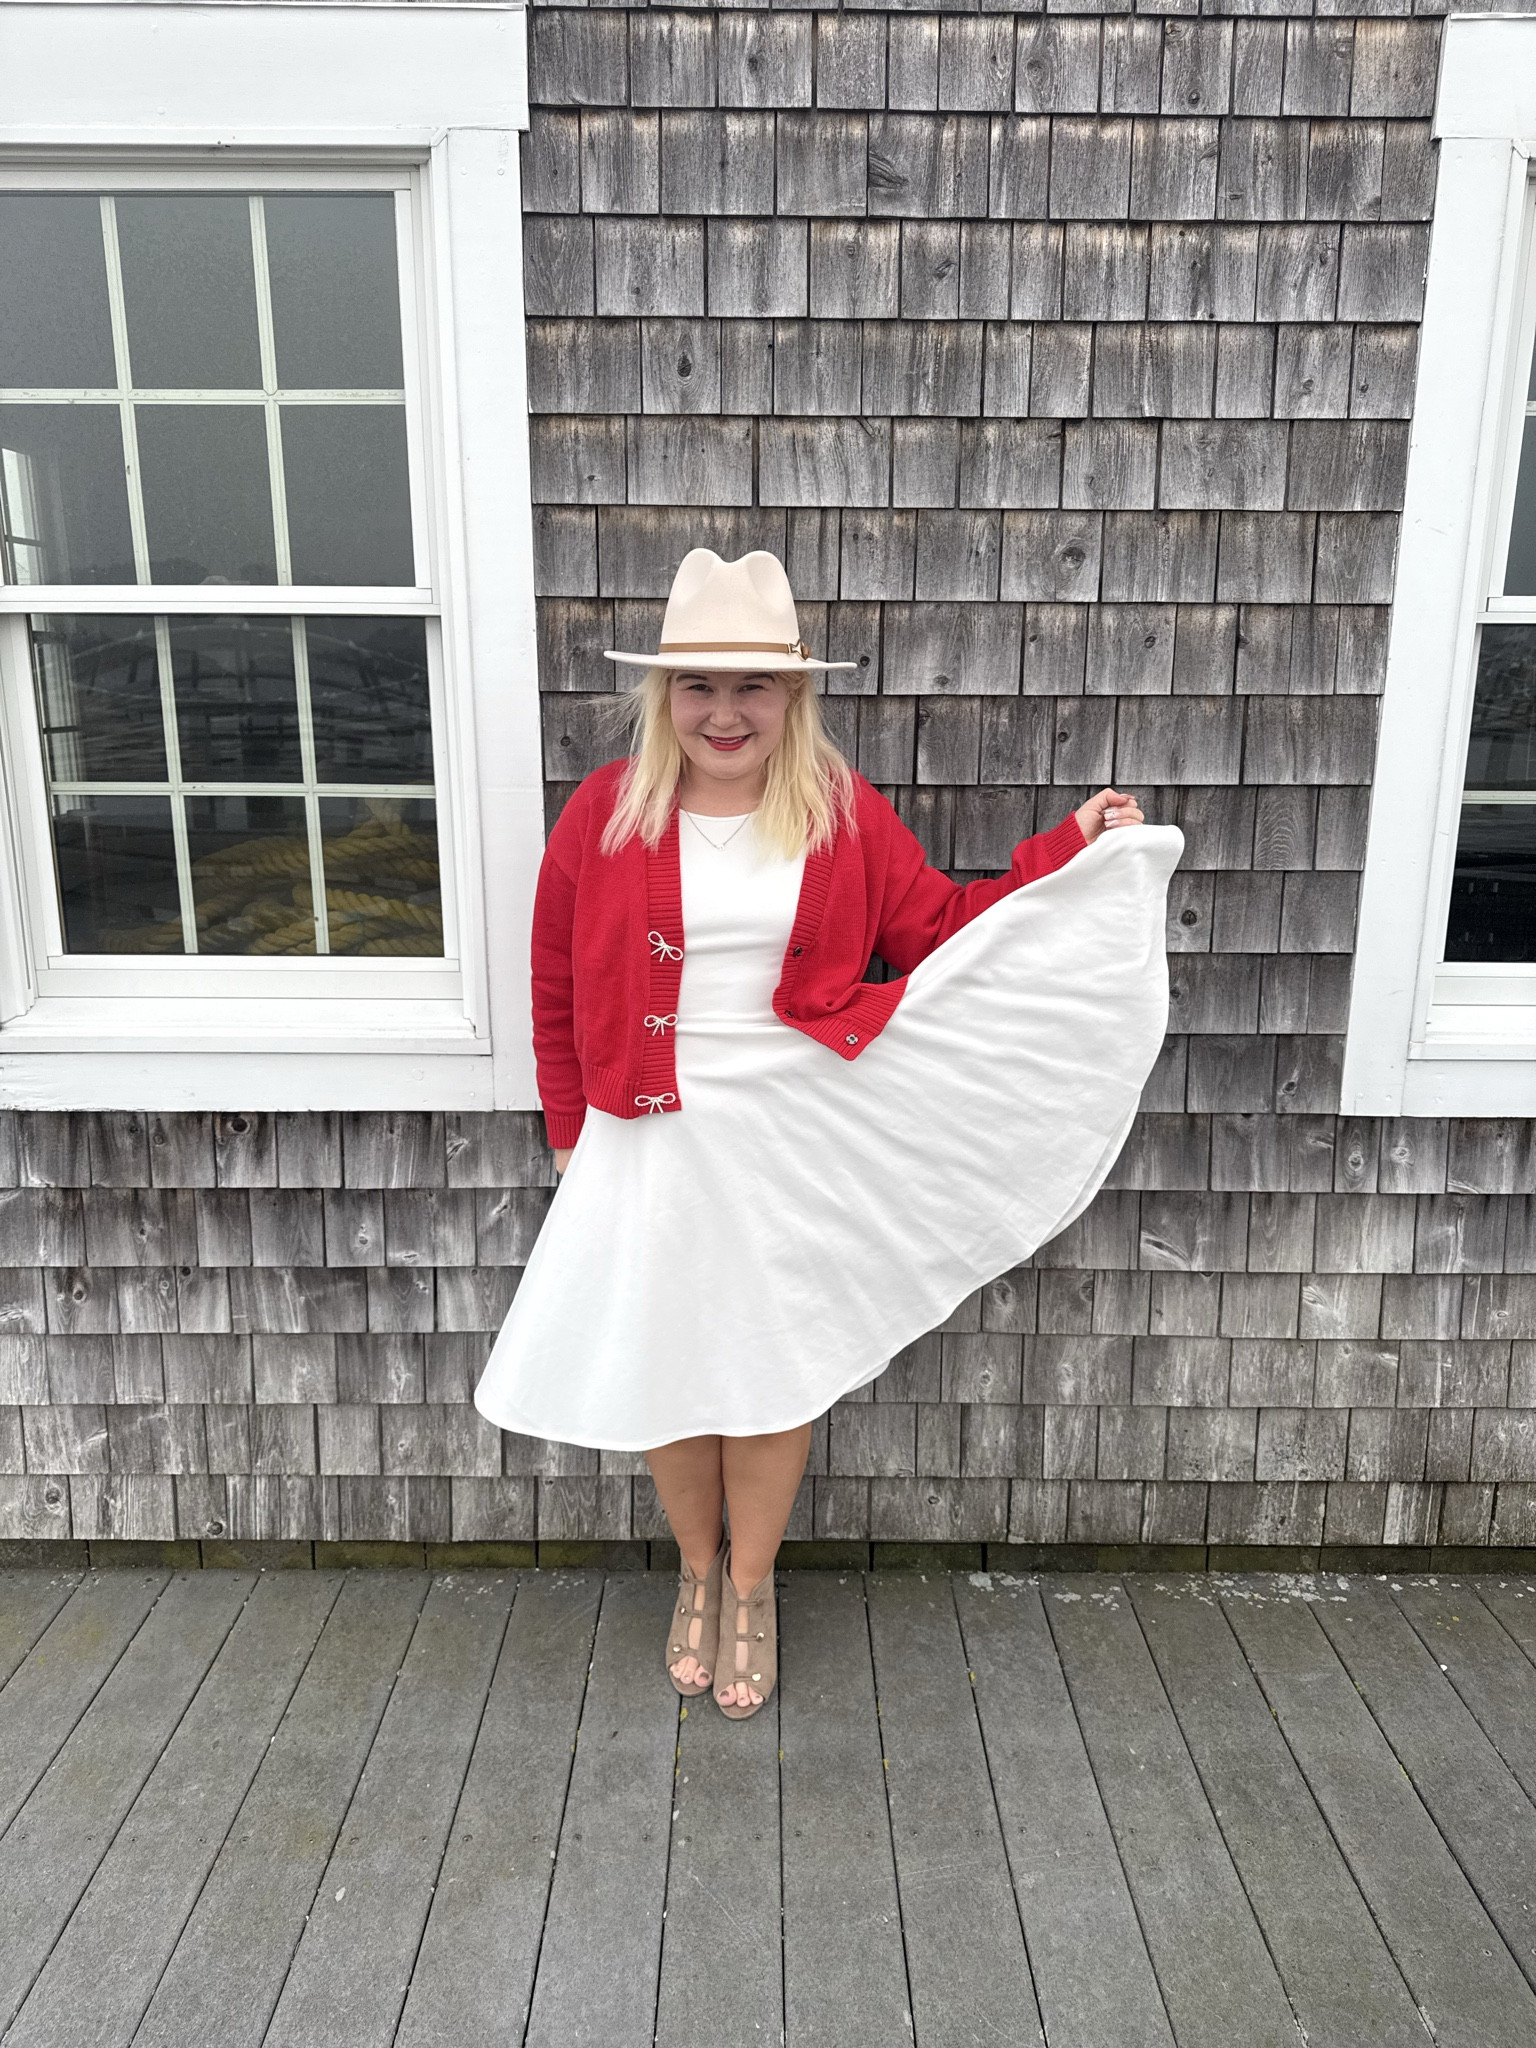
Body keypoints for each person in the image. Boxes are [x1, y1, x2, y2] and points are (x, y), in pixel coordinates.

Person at [474, 547, 1182, 1719]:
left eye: (754, 685)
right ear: (665, 697)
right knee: (666, 1356)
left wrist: (1067, 852)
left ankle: (751, 1583)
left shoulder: (838, 811)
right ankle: (694, 1571)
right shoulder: (605, 811)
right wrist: (566, 1130)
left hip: (796, 1125)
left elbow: (945, 932)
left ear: (792, 696)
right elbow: (556, 980)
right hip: (647, 1130)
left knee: (766, 1362)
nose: (725, 711)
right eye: (700, 685)